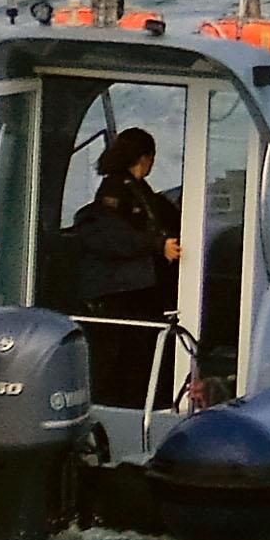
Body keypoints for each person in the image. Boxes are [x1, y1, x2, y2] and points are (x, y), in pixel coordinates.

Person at [59, 124, 181, 398]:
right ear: (145, 158)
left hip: (138, 290)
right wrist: (157, 245)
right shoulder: (113, 191)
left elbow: (160, 215)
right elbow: (113, 234)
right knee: (122, 356)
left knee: (140, 351)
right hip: (120, 291)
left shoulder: (139, 190)